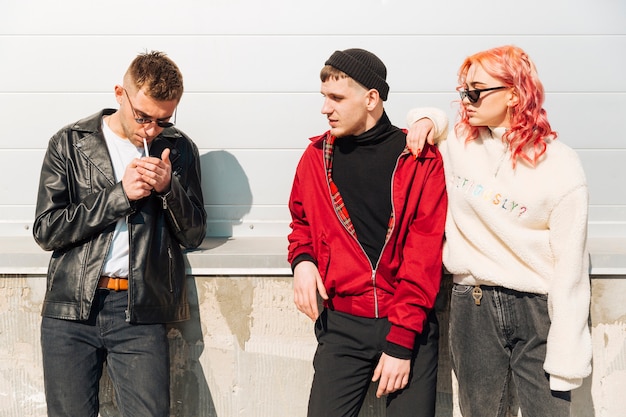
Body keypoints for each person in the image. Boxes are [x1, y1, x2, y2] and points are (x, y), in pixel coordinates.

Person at [406, 45, 592, 417]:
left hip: (536, 307)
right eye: (463, 92)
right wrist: (424, 120)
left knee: (548, 412)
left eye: (476, 91)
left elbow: (570, 268)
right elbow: (430, 118)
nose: (466, 100)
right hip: (471, 302)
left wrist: (568, 357)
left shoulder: (561, 165)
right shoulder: (459, 143)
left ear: (513, 93)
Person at [33, 50, 207, 417]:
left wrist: (168, 189)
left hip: (140, 310)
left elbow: (193, 234)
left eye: (162, 120)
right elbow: (47, 230)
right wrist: (119, 195)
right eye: (143, 117)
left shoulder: (178, 149)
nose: (150, 129)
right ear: (119, 94)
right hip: (71, 309)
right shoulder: (70, 143)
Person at [287, 48, 447, 417]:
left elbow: (423, 258)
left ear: (371, 98)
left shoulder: (419, 160)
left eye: (337, 98)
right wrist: (303, 261)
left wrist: (401, 343)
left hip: (408, 324)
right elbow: (301, 223)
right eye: (324, 97)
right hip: (342, 325)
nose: (325, 108)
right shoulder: (315, 158)